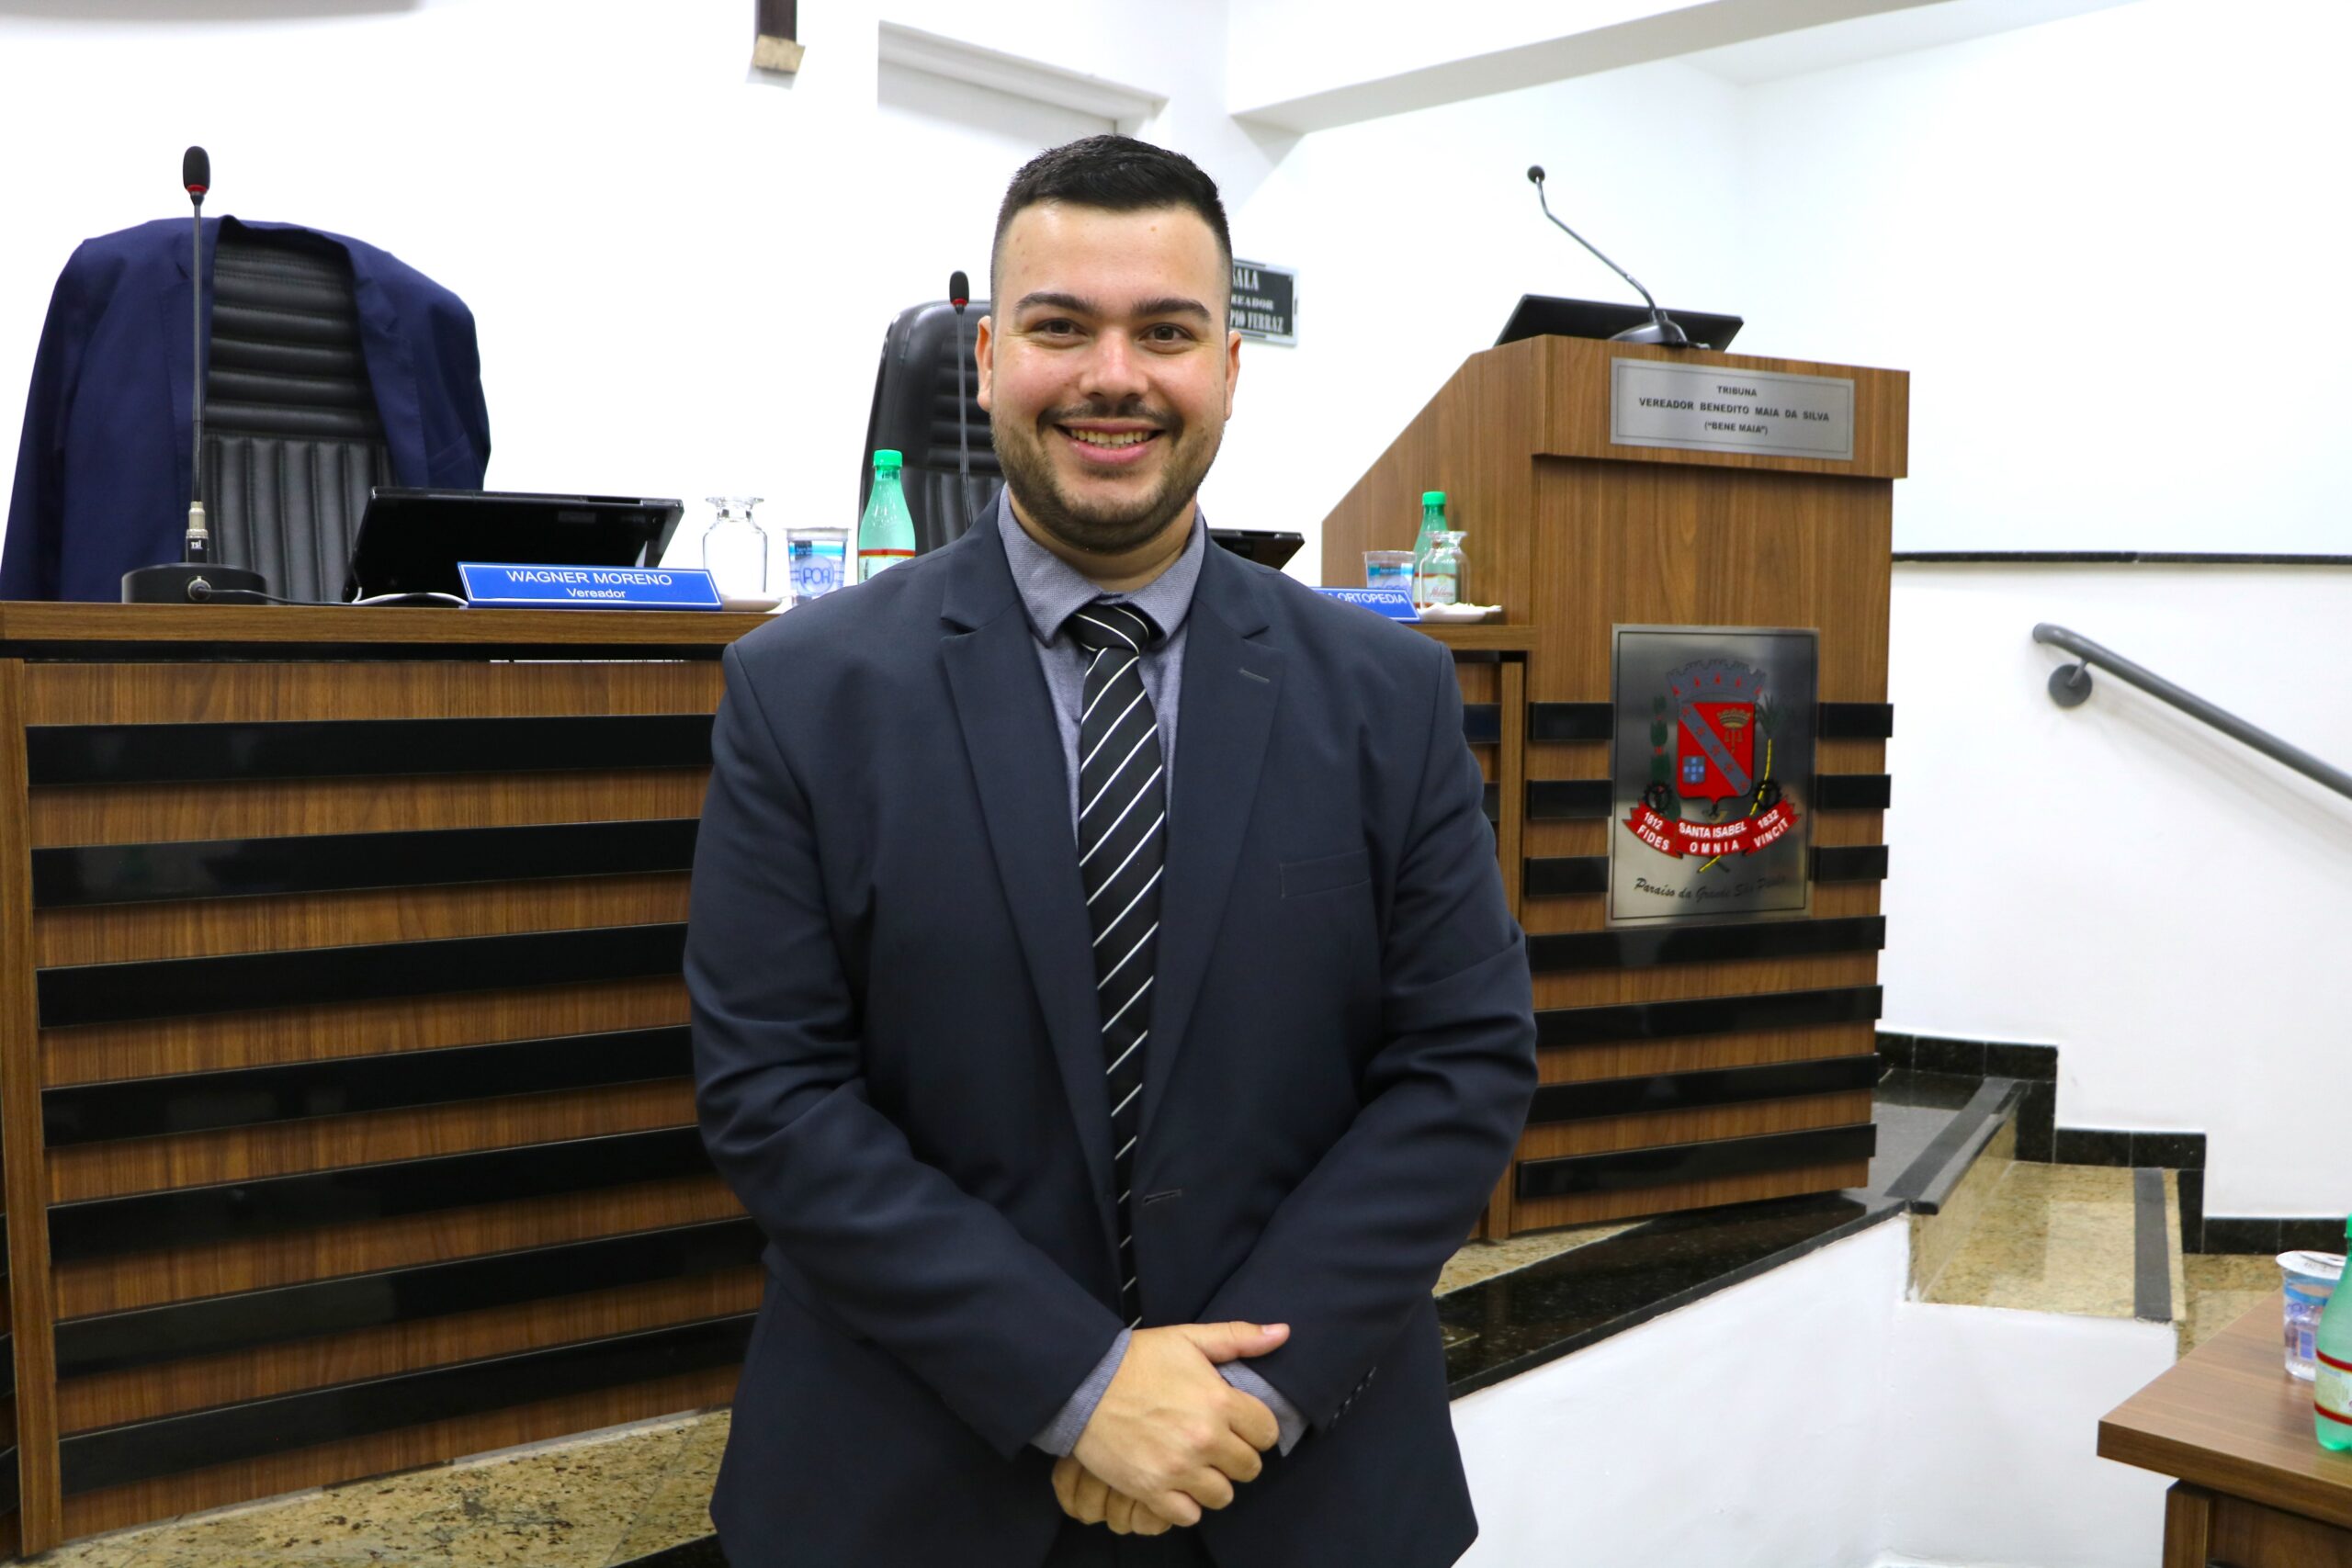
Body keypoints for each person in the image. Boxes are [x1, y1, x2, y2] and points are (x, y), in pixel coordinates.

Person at [687, 134, 1535, 1568]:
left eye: (1168, 333)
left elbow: (1463, 1066)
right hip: (909, 1488)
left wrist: (1240, 1400)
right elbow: (774, 1094)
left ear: (1230, 370)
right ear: (986, 359)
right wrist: (1078, 1386)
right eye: (1061, 327)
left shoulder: (1386, 694)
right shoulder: (803, 693)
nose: (1114, 376)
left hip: (1297, 1480)